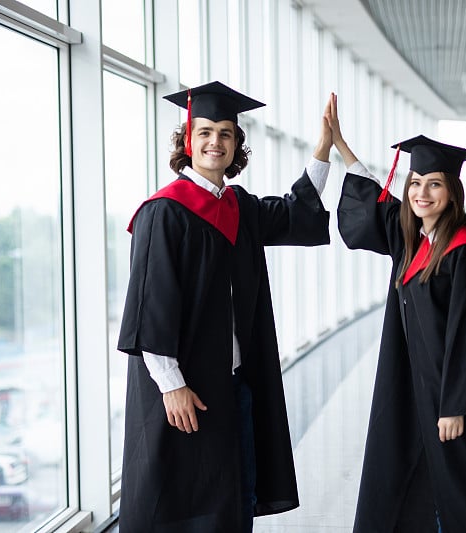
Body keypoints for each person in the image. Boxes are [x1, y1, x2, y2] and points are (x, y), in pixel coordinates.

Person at [327, 93, 466, 532]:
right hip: (423, 393)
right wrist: (341, 146)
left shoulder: (462, 253)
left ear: (453, 192)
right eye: (415, 182)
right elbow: (376, 209)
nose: (421, 193)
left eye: (434, 183)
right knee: (430, 487)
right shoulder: (415, 240)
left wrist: (456, 407)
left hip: (462, 404)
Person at [116, 81, 333, 533]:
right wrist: (170, 384)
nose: (216, 141)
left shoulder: (238, 207)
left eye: (226, 134)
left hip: (233, 385)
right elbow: (150, 305)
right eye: (205, 132)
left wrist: (323, 151)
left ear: (237, 146)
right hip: (185, 390)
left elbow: (296, 212)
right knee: (183, 505)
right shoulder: (165, 212)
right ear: (187, 142)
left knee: (233, 500)